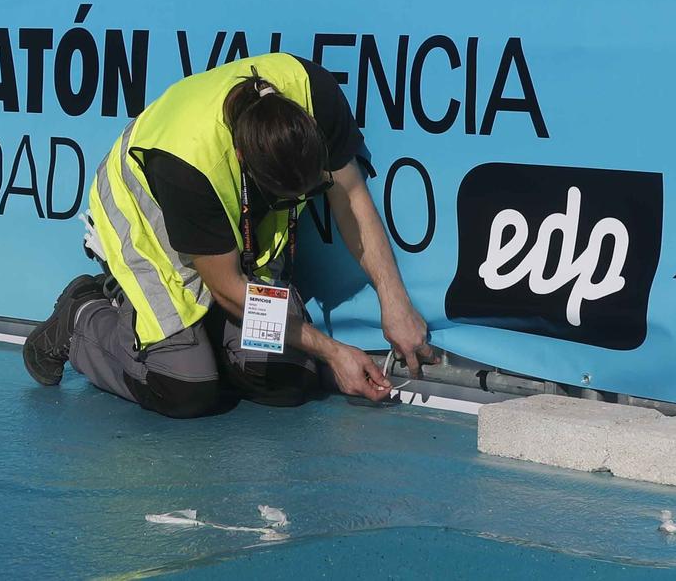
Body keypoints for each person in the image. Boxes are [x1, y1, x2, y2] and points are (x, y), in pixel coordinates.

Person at [23, 51, 433, 417]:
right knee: (186, 388)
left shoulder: (316, 96)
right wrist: (334, 351)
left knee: (286, 377)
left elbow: (352, 196)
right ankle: (81, 316)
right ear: (245, 162)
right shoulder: (189, 168)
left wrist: (394, 302)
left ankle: (211, 343)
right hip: (150, 211)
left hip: (225, 223)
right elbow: (228, 289)